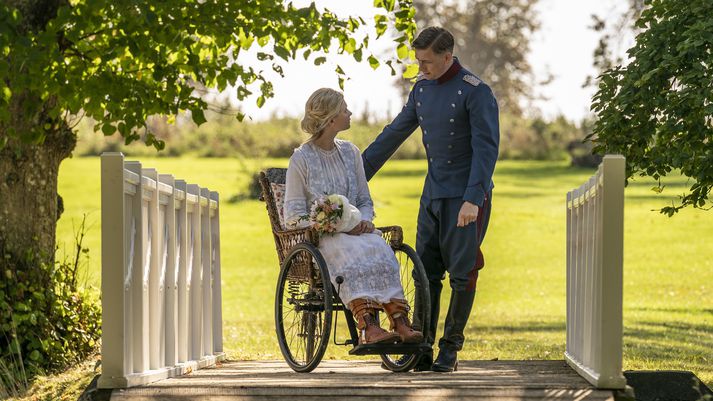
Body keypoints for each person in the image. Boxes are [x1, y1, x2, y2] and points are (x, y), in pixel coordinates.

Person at [361, 26, 499, 372]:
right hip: (433, 196)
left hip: (466, 198)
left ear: (447, 57)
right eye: (418, 61)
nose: (421, 68)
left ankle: (450, 350)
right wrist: (356, 174)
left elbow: (486, 151)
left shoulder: (476, 92)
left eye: (427, 62)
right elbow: (393, 133)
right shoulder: (421, 90)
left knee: (462, 275)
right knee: (426, 274)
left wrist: (473, 198)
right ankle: (422, 348)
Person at [283, 88, 424, 346]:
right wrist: (328, 223)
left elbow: (363, 199)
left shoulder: (351, 153)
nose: (350, 113)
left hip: (358, 231)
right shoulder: (301, 159)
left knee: (379, 247)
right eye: (344, 109)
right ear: (331, 119)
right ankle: (368, 326)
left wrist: (365, 220)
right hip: (322, 238)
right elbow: (292, 215)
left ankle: (400, 320)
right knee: (346, 248)